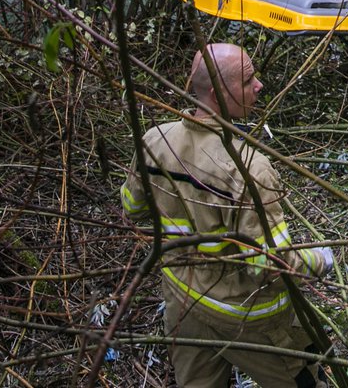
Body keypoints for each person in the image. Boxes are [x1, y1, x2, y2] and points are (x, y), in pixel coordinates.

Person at [120, 43, 334, 388]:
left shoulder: (153, 142)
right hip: (247, 318)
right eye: (248, 80)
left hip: (182, 301)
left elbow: (133, 207)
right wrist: (320, 260)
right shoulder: (248, 169)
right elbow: (270, 266)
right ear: (219, 94)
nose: (259, 85)